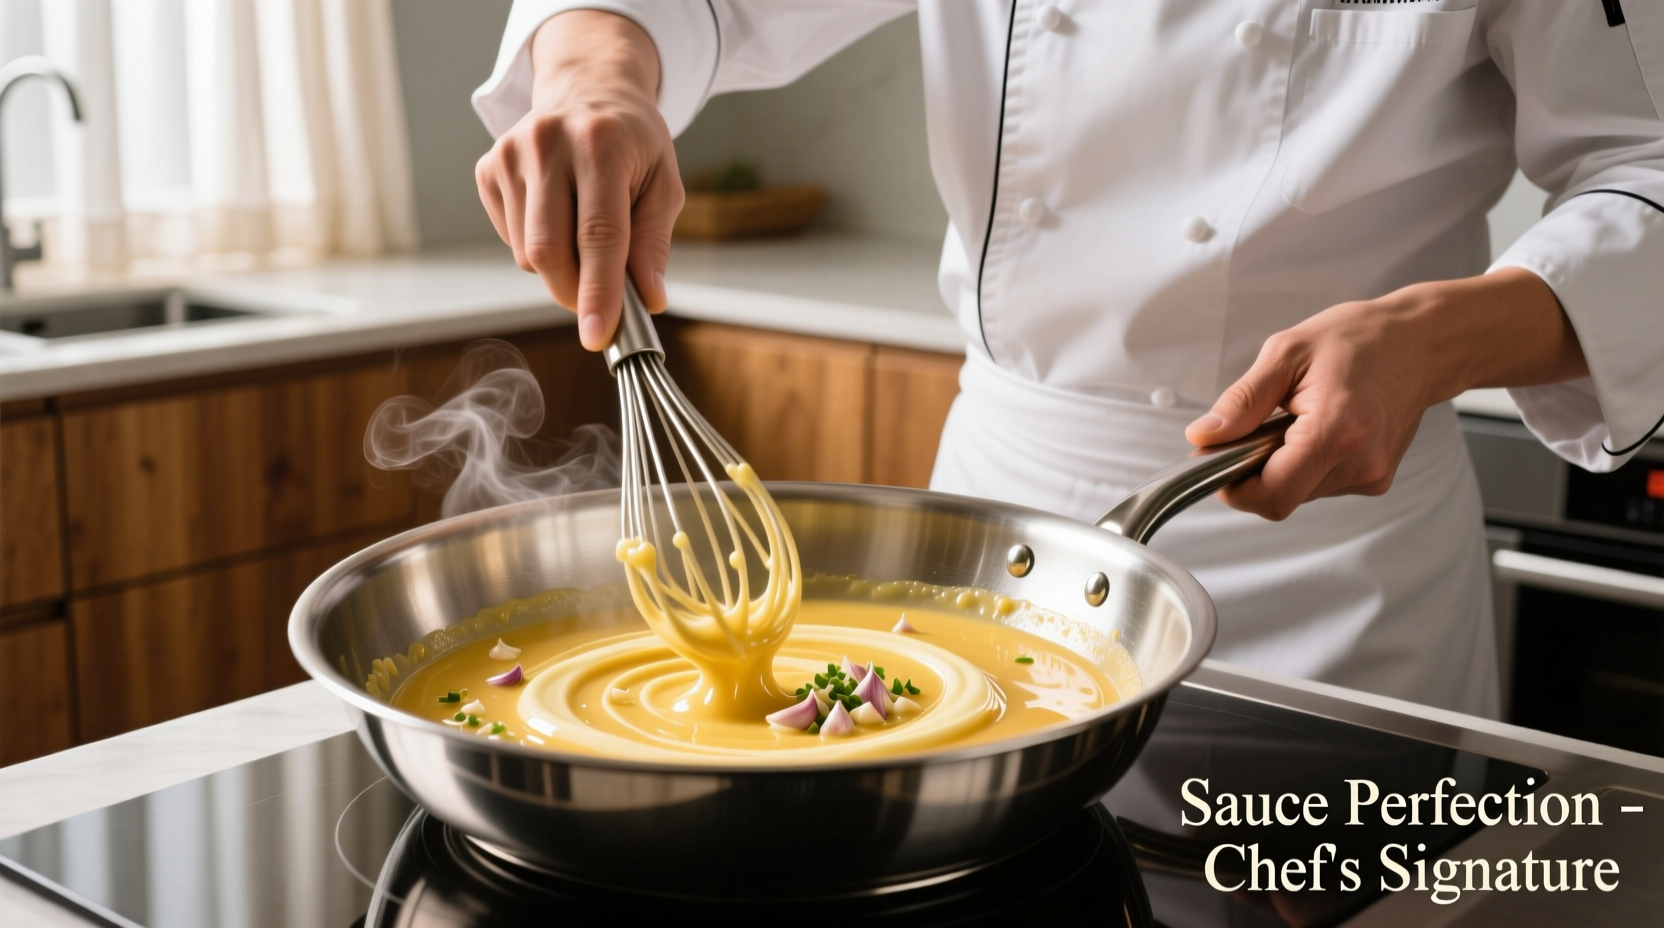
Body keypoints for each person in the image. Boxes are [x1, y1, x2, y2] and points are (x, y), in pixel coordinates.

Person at [470, 2, 1664, 718]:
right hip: (1001, 533)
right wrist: (595, 79)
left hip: (1337, 559)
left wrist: (1433, 336)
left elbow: (1646, 170)